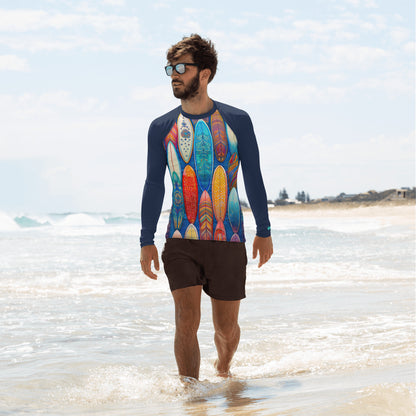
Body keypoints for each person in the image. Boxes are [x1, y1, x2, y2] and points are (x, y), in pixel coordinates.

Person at [140, 34, 273, 381]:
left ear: (205, 73)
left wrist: (264, 230)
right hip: (181, 239)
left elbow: (254, 178)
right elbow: (154, 184)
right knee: (186, 320)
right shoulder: (161, 128)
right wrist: (146, 239)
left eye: (182, 67)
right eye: (170, 68)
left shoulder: (237, 121)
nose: (174, 75)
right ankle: (191, 397)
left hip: (228, 239)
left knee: (226, 329)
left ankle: (224, 366)